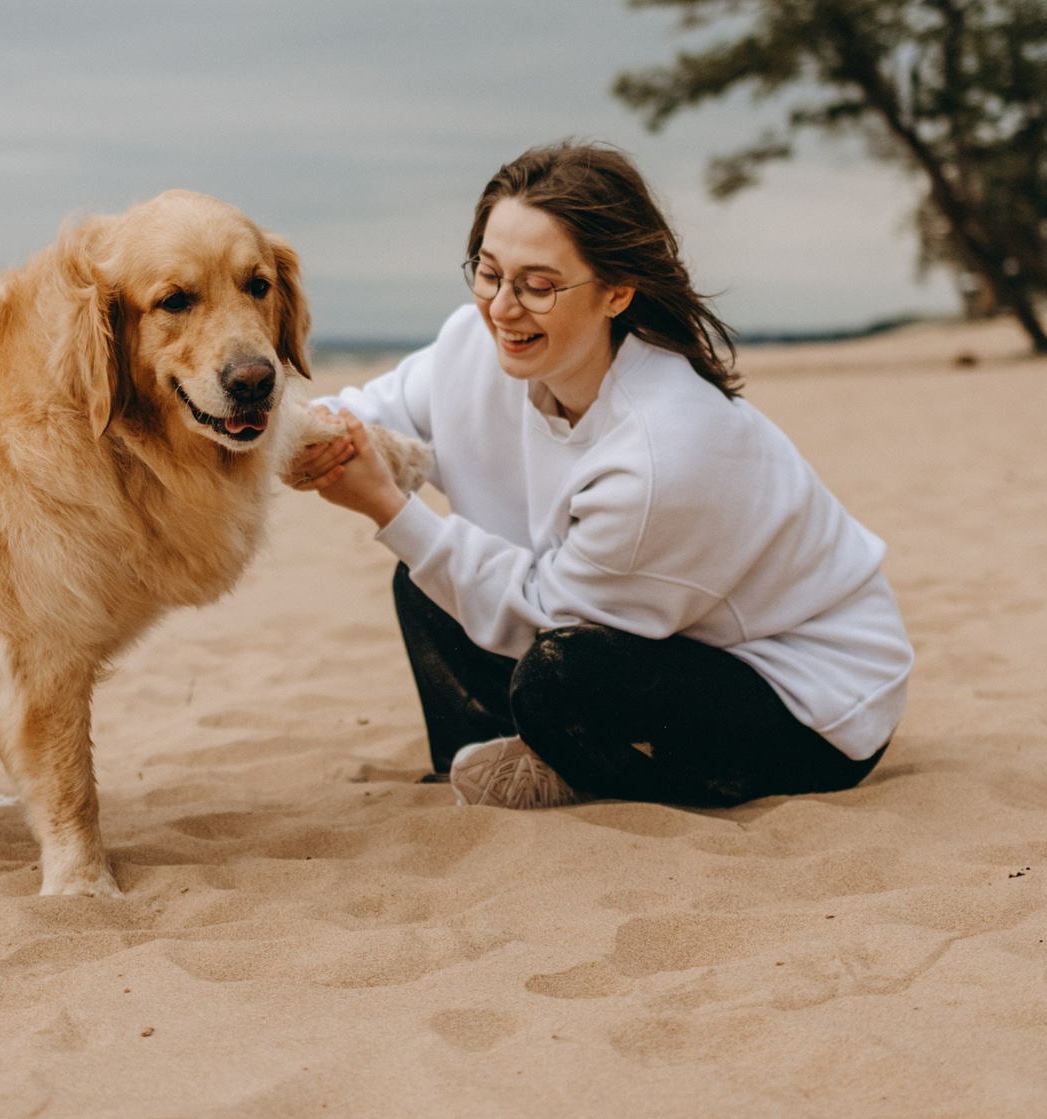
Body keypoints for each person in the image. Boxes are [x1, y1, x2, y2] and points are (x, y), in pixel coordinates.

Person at [288, 141, 910, 811]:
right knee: (427, 578)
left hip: (805, 693)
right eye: (489, 273)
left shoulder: (665, 449)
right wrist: (311, 439)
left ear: (617, 290)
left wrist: (388, 506)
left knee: (559, 676)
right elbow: (369, 413)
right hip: (645, 633)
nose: (502, 308)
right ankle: (488, 763)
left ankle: (567, 769)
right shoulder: (475, 344)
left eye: (538, 285)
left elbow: (545, 620)